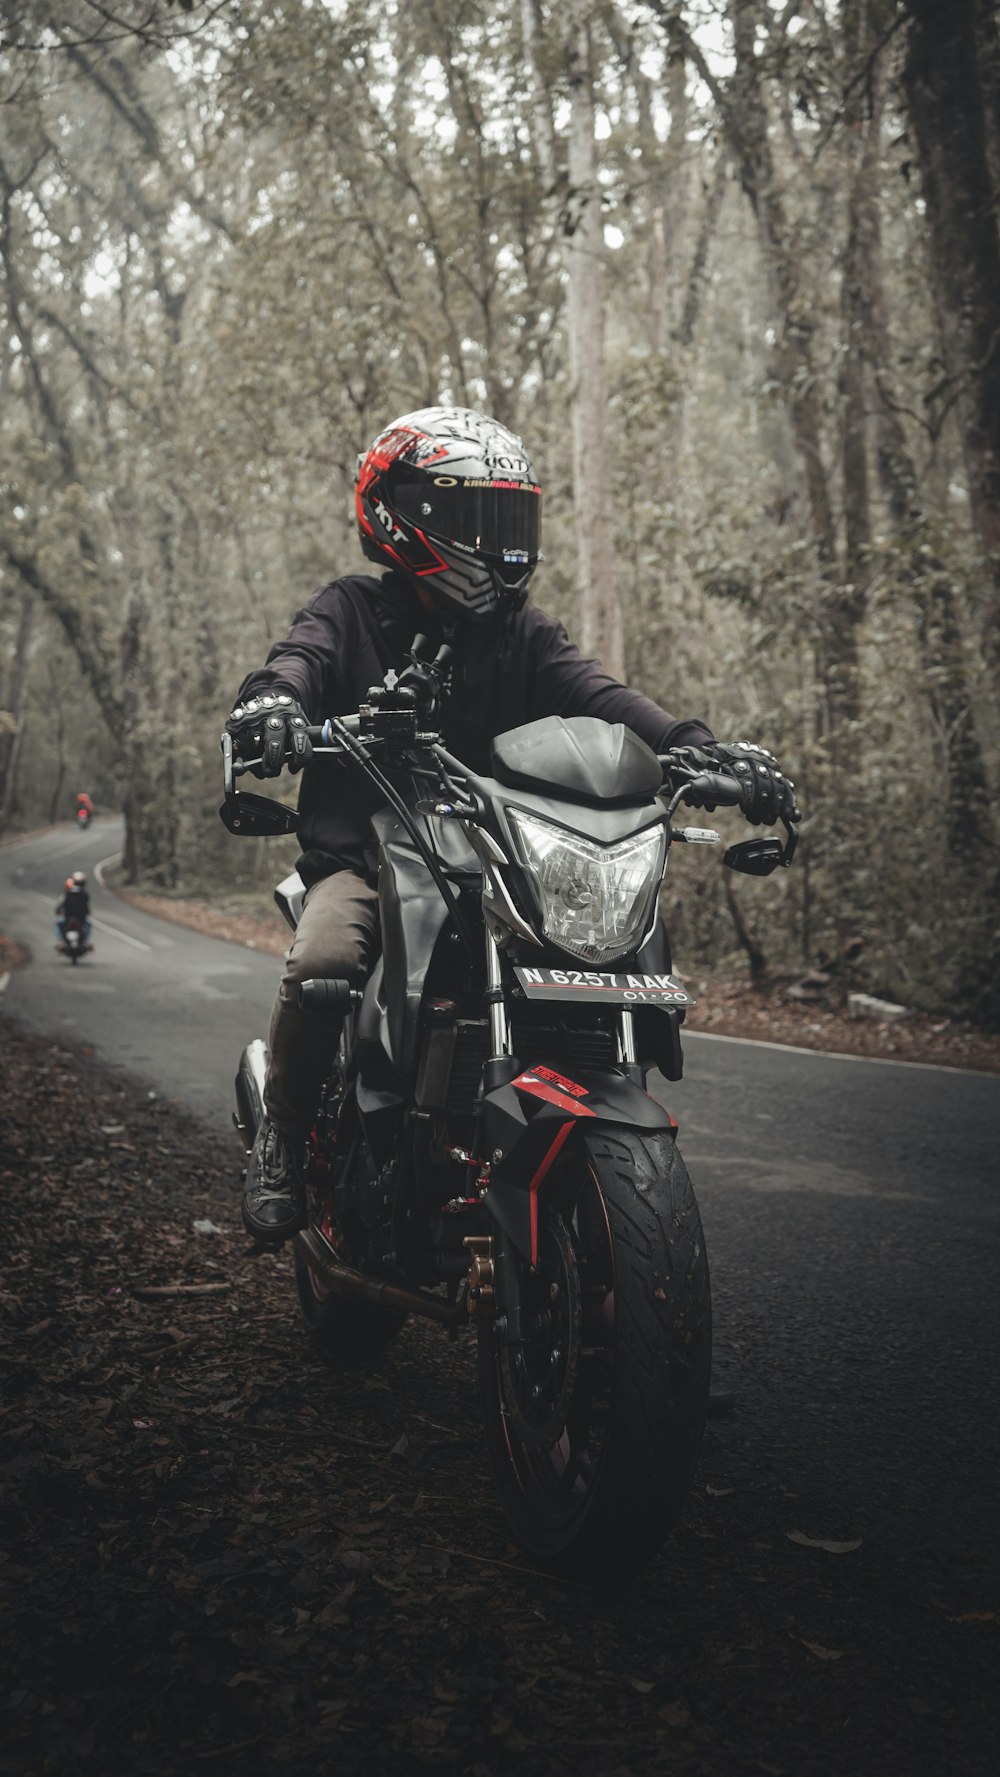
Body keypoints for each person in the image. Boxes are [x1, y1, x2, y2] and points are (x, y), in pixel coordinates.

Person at [225, 406, 799, 1242]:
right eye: (471, 516)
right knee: (323, 959)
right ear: (401, 516)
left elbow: (602, 696)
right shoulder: (348, 610)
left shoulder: (523, 633)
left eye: (507, 516)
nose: (496, 541)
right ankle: (281, 1132)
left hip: (499, 860)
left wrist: (697, 749)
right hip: (370, 856)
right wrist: (274, 704)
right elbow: (298, 661)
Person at [55, 870, 92, 948]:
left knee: (58, 924)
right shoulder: (84, 894)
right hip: (81, 919)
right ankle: (86, 941)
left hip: (67, 918)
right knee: (89, 925)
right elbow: (87, 908)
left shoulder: (67, 893)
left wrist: (58, 911)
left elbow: (60, 906)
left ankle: (61, 941)